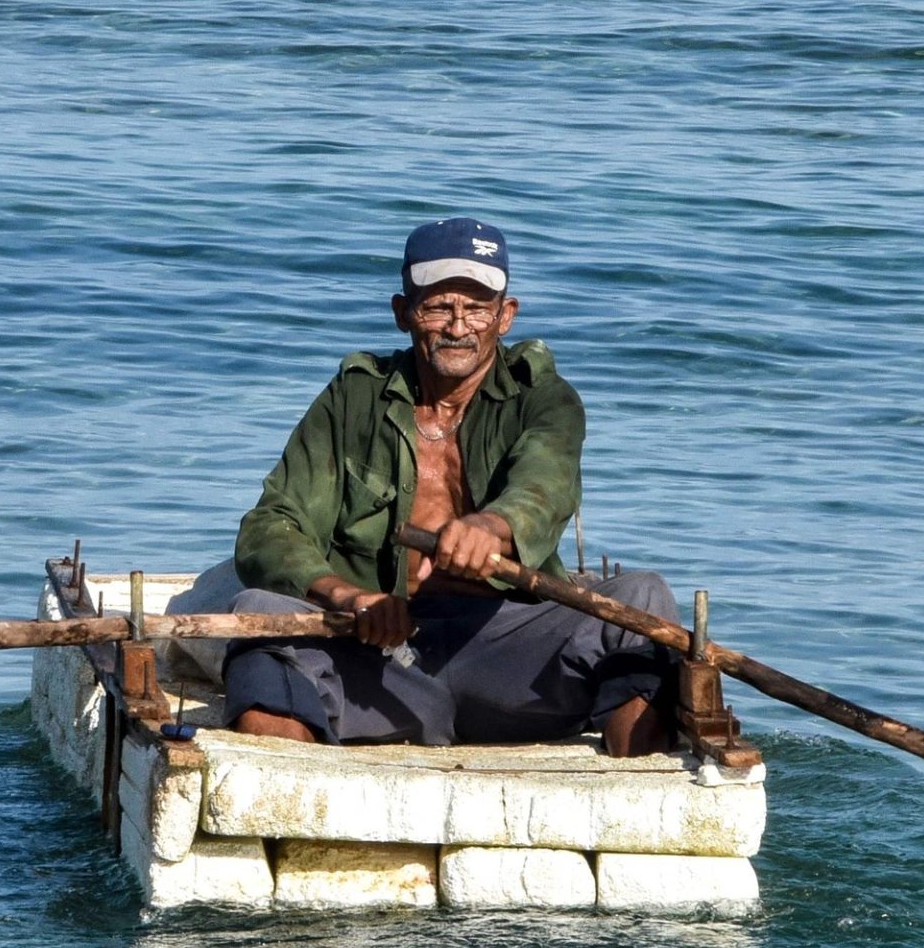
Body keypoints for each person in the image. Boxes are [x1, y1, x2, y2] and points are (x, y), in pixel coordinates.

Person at [223, 218, 679, 756]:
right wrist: (350, 596)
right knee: (260, 616)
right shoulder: (352, 399)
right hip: (377, 660)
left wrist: (493, 526)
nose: (458, 327)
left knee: (641, 601)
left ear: (505, 317)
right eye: (438, 306)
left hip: (512, 660)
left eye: (477, 308)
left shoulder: (546, 400)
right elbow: (271, 526)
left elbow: (544, 485)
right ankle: (280, 802)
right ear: (402, 313)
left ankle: (641, 793)